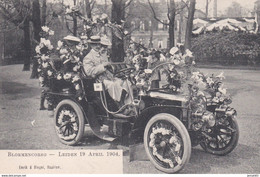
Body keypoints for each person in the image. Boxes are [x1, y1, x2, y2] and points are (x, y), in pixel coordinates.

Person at [83, 36, 132, 107]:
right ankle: (119, 106)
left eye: (98, 44)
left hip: (108, 77)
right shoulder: (88, 57)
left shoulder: (102, 54)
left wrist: (111, 67)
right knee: (114, 85)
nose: (97, 46)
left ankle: (127, 104)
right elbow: (89, 72)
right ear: (91, 45)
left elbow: (109, 65)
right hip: (98, 81)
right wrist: (103, 66)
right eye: (95, 44)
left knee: (126, 82)